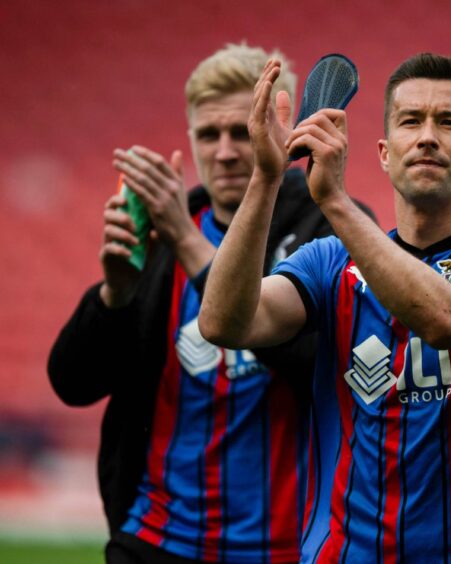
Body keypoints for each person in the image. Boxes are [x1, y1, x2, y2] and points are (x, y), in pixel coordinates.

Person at [198, 53, 451, 562]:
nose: (428, 137)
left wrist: (336, 203)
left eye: (450, 122)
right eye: (410, 121)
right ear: (383, 152)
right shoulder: (329, 264)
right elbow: (223, 322)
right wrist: (265, 177)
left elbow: (449, 319)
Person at [48, 43, 349, 563]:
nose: (228, 151)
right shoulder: (161, 232)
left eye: (243, 130)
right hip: (155, 539)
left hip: (289, 548)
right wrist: (114, 293)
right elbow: (71, 384)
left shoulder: (329, 227)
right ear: (190, 139)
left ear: (280, 130)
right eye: (209, 134)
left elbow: (322, 364)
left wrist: (188, 242)